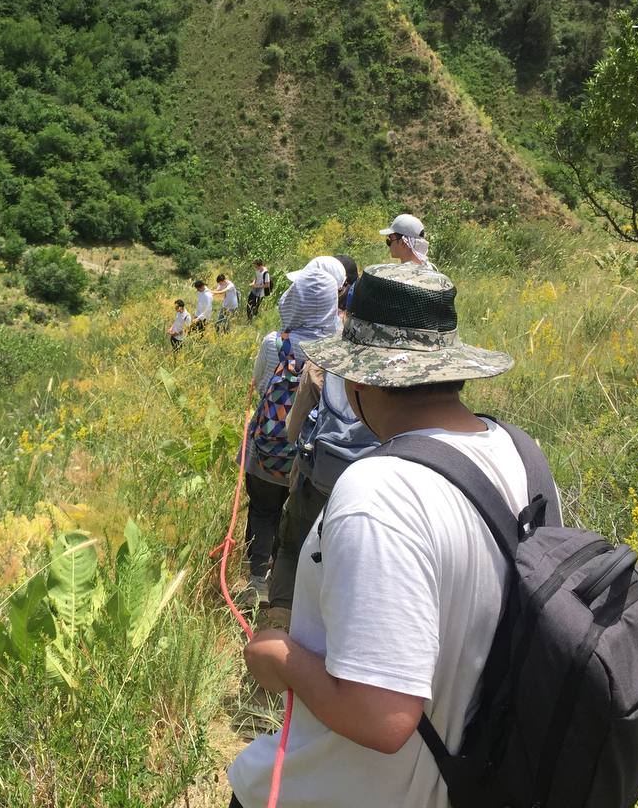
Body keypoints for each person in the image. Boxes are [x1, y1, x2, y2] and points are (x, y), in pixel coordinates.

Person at [228, 263, 553, 808]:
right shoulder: (523, 455)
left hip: (346, 789)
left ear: (358, 380)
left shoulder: (378, 491)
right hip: (470, 779)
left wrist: (279, 657)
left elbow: (381, 716)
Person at [265, 257, 379, 618]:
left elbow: (293, 430)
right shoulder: (412, 375)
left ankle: (278, 623)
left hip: (319, 478)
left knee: (291, 547)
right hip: (375, 493)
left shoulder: (324, 360)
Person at [241, 267, 341, 607]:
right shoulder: (338, 348)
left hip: (267, 451)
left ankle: (257, 582)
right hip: (310, 456)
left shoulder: (275, 343)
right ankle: (293, 594)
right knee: (299, 521)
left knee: (263, 511)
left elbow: (257, 383)